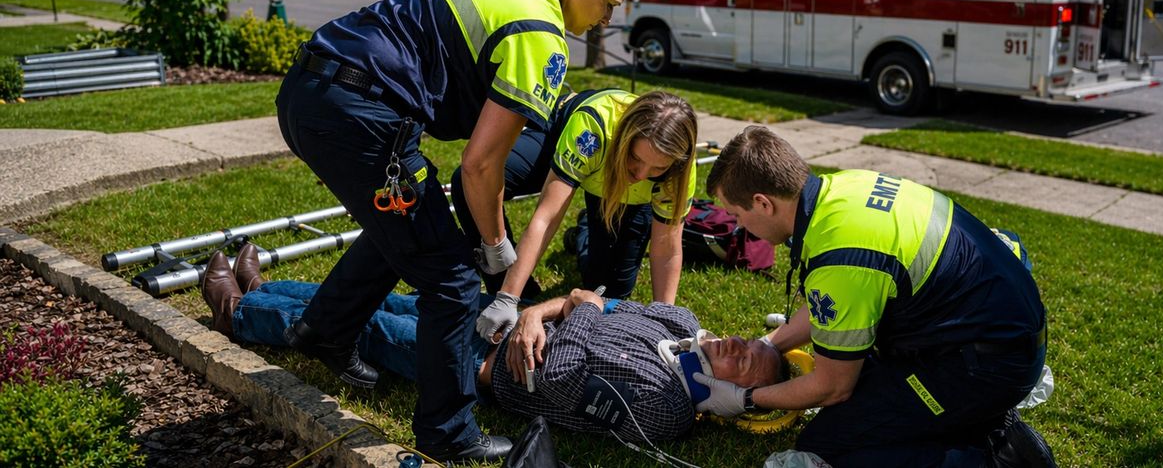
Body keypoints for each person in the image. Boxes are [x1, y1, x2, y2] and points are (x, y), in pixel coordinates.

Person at [272, 0, 637, 462]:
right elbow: (481, 164)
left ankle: (324, 331)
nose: (607, 19)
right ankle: (450, 433)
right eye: (609, 3)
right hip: (358, 109)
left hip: (311, 88)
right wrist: (495, 245)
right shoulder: (541, 33)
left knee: (407, 225)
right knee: (454, 281)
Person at [690, 126, 1057, 468]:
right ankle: (981, 419)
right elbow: (831, 306)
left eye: (737, 214)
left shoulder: (840, 257)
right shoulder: (842, 188)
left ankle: (995, 456)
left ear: (763, 203)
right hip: (1003, 332)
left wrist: (745, 400)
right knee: (872, 397)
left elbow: (833, 386)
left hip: (987, 365)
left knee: (831, 445)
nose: (739, 226)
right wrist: (770, 343)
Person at [199, 244, 783, 443]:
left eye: (748, 361)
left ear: (735, 396)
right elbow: (585, 297)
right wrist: (540, 314)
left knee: (372, 327)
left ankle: (237, 313)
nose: (741, 344)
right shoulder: (678, 318)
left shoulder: (667, 410)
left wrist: (563, 315)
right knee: (390, 296)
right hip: (506, 324)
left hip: (486, 367)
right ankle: (267, 286)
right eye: (753, 342)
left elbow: (554, 379)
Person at [455, 89, 698, 347]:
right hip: (573, 144)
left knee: (605, 295)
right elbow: (546, 218)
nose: (640, 174)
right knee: (472, 182)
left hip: (625, 200)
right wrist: (508, 296)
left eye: (658, 169)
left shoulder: (680, 169)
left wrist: (664, 320)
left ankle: (585, 229)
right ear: (623, 139)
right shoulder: (592, 128)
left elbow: (666, 248)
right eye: (635, 158)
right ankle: (515, 290)